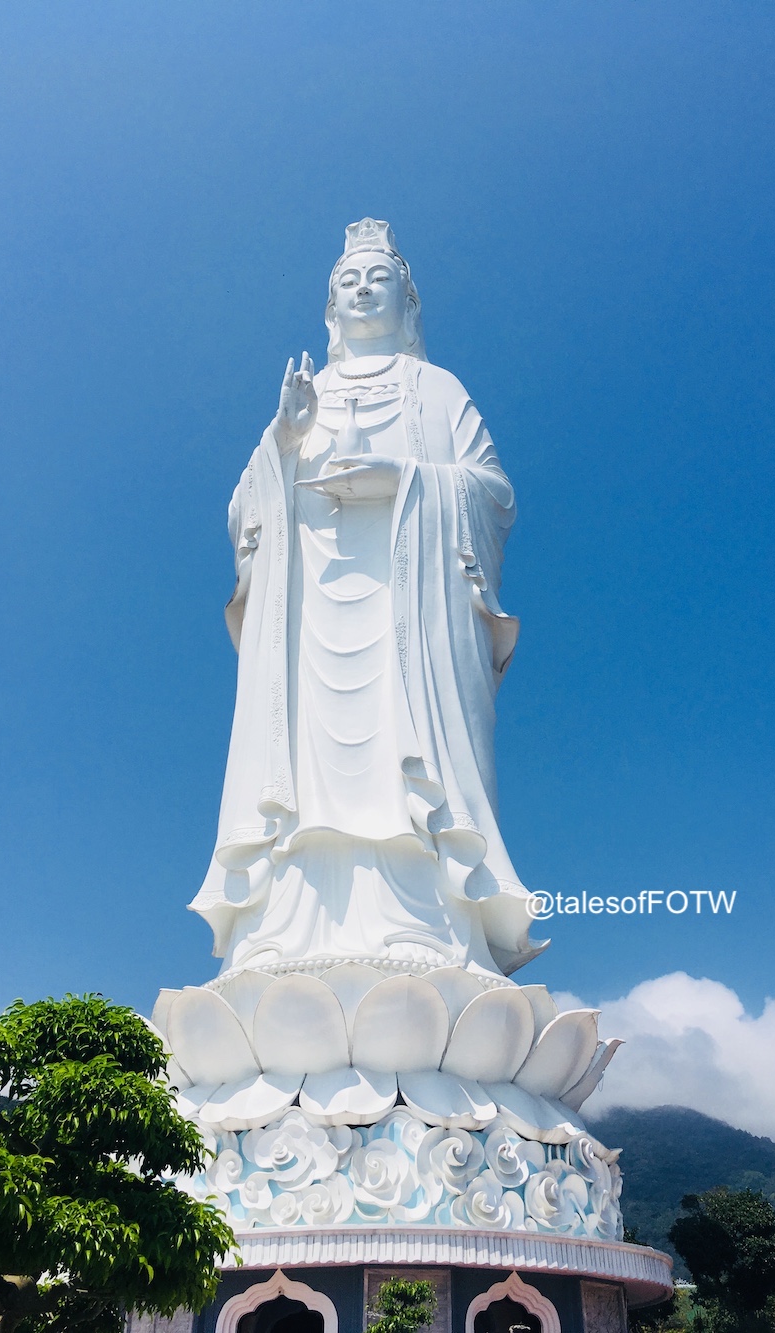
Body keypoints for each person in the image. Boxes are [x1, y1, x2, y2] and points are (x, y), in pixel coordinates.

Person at [190, 219, 543, 982]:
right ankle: (282, 929)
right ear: (329, 305)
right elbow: (240, 517)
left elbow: (494, 493)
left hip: (409, 616)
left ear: (406, 300)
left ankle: (428, 927)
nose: (359, 290)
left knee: (404, 762)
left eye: (375, 278)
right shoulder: (304, 395)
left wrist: (405, 478)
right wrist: (283, 442)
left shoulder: (437, 390)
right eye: (346, 282)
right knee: (300, 769)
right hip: (308, 611)